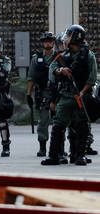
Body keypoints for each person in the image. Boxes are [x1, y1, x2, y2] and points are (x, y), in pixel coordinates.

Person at [42, 25, 97, 166]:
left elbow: (92, 78)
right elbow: (52, 69)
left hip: (81, 97)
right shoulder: (64, 55)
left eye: (68, 36)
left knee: (82, 126)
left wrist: (83, 92)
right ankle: (53, 156)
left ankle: (80, 156)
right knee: (58, 125)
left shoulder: (88, 56)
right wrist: (61, 70)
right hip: (66, 96)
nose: (65, 39)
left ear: (75, 37)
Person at [27, 32, 57, 157]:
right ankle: (42, 147)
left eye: (50, 41)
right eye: (45, 41)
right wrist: (28, 94)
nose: (47, 43)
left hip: (57, 92)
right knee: (43, 120)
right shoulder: (36, 58)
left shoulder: (59, 57)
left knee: (59, 121)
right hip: (43, 92)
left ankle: (58, 147)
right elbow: (31, 77)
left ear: (53, 43)